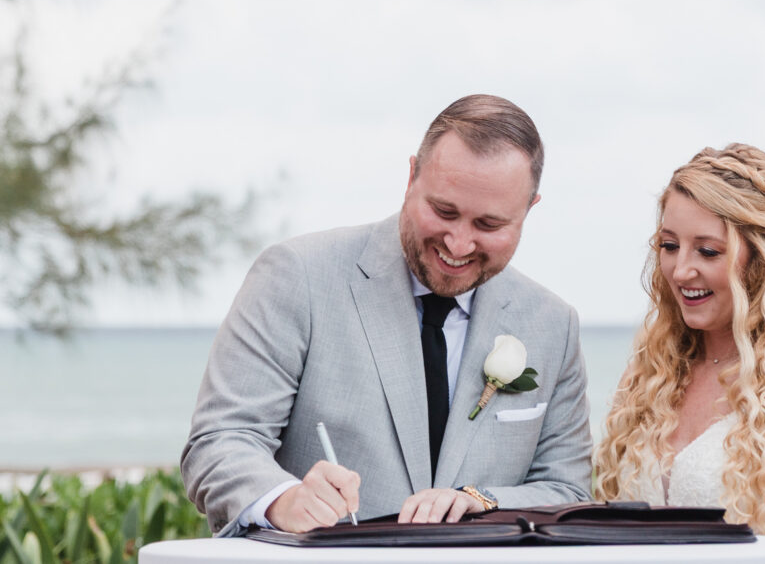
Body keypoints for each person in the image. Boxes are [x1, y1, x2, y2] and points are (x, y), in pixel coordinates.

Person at [182, 94, 592, 537]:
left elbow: (567, 491)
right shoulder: (297, 275)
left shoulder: (554, 324)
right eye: (443, 211)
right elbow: (219, 442)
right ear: (412, 175)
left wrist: (481, 501)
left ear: (529, 209)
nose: (458, 244)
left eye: (488, 226)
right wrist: (284, 499)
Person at [592, 144, 765, 564]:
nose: (681, 270)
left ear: (761, 260)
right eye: (669, 246)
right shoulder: (651, 371)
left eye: (707, 251)